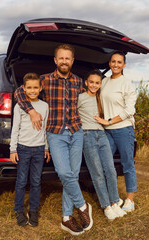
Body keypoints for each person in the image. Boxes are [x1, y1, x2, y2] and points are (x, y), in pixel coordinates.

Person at [14, 44, 92, 236]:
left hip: (76, 131)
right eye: (61, 58)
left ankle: (66, 217)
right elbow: (18, 93)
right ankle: (82, 206)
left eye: (68, 58)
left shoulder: (78, 82)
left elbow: (93, 94)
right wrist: (31, 111)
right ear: (55, 60)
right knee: (64, 173)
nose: (64, 61)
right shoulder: (45, 80)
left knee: (72, 174)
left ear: (72, 61)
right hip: (55, 133)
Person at [78, 69, 127, 221]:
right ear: (86, 83)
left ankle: (114, 202)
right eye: (91, 82)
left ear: (101, 84)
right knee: (97, 172)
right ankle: (106, 206)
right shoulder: (80, 97)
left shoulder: (101, 98)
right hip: (88, 135)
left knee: (110, 170)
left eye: (97, 83)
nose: (94, 85)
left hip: (102, 135)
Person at [95, 51, 137, 212]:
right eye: (113, 62)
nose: (116, 65)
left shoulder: (126, 84)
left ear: (124, 65)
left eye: (119, 62)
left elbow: (129, 111)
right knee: (104, 163)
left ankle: (130, 200)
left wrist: (110, 120)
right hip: (107, 131)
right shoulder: (104, 82)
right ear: (109, 63)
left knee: (127, 164)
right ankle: (113, 197)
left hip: (123, 129)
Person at [10, 73, 50, 227]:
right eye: (29, 88)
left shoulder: (44, 106)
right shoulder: (20, 106)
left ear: (40, 88)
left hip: (39, 149)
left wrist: (46, 147)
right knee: (21, 181)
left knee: (36, 181)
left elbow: (45, 129)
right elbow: (15, 129)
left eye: (35, 87)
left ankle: (33, 210)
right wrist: (13, 149)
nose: (32, 90)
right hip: (23, 148)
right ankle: (19, 210)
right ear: (24, 89)